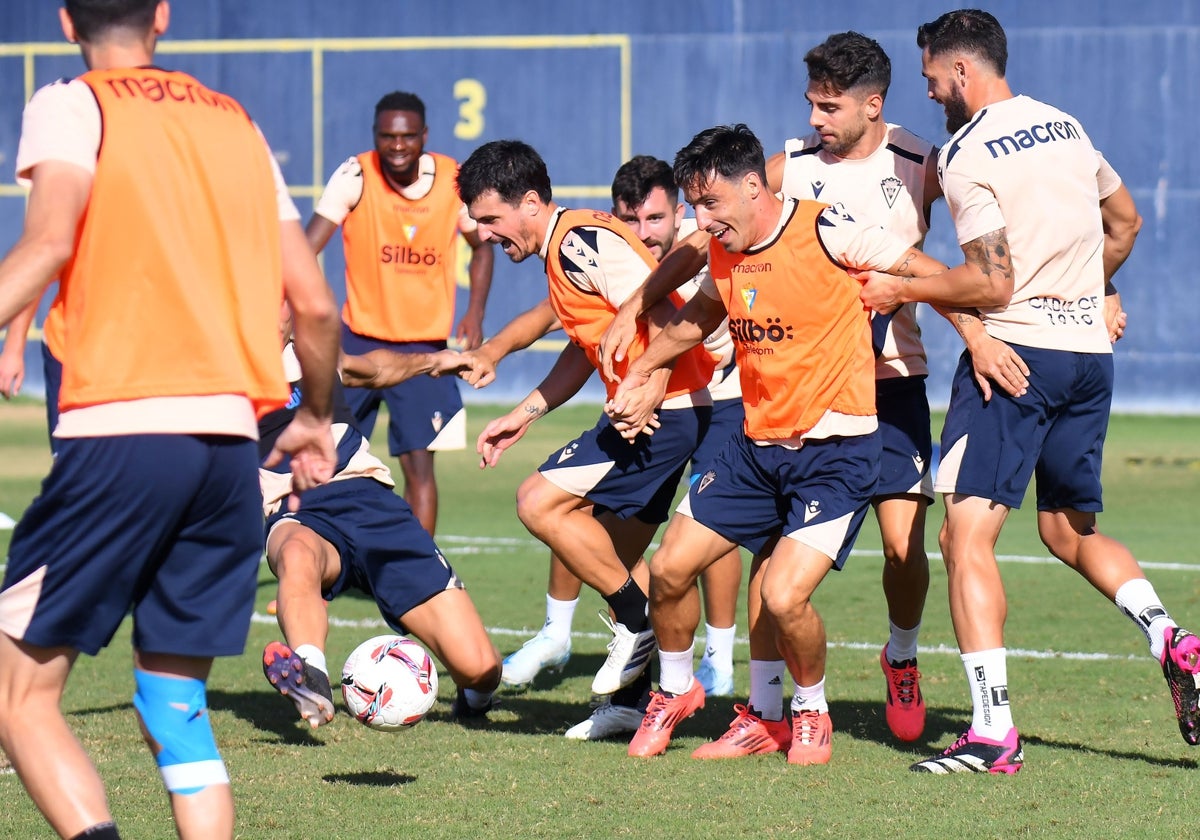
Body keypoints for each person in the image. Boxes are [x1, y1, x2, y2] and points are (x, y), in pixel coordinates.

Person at [0, 3, 342, 839]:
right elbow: (317, 307)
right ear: (162, 15)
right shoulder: (236, 123)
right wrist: (317, 417)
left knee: (18, 696)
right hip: (229, 449)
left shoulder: (72, 102)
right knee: (174, 699)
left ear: (64, 18)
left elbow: (47, 246)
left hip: (122, 433)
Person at [859, 8, 1198, 774]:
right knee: (1068, 532)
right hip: (1087, 357)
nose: (932, 92)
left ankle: (992, 733)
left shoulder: (966, 150)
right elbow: (1127, 220)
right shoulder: (1065, 126)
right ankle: (1171, 637)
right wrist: (1099, 288)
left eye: (931, 79)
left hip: (1014, 358)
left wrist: (901, 286)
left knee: (963, 537)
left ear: (961, 72)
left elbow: (990, 278)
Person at [605, 124, 948, 764]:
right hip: (755, 448)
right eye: (694, 207)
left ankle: (809, 713)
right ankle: (675, 694)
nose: (701, 221)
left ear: (753, 186)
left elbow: (925, 269)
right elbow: (703, 315)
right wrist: (646, 368)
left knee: (785, 596)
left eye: (710, 205)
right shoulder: (725, 250)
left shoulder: (828, 230)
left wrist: (973, 331)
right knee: (671, 569)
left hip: (836, 453)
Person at [454, 139, 716, 729]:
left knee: (538, 502)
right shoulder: (563, 246)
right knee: (616, 552)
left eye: (492, 220)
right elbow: (586, 348)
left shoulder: (581, 242)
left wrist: (651, 381)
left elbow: (665, 315)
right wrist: (522, 414)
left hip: (665, 409)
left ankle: (637, 622)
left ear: (528, 202)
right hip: (657, 405)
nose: (488, 235)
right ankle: (635, 702)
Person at [758, 30, 940, 747]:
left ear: (874, 104)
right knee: (776, 557)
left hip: (893, 381)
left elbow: (989, 239)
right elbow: (719, 223)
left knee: (903, 547)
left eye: (829, 107)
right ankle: (768, 704)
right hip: (807, 391)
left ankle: (901, 656)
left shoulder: (922, 160)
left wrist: (1102, 286)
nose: (815, 121)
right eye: (811, 105)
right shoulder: (790, 167)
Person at [260, 331, 501, 727]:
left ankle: (475, 699)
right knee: (296, 554)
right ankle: (311, 675)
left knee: (481, 667)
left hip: (369, 499)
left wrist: (434, 361)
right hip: (297, 509)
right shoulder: (223, 375)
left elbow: (373, 370)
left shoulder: (314, 351)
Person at [305, 90, 495, 535]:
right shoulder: (355, 174)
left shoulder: (454, 180)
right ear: (375, 136)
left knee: (419, 469)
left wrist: (475, 314)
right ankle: (311, 571)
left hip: (423, 350)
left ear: (424, 135)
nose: (397, 146)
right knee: (325, 458)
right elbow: (306, 247)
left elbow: (482, 251)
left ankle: (419, 581)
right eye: (387, 136)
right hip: (358, 341)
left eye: (407, 136)